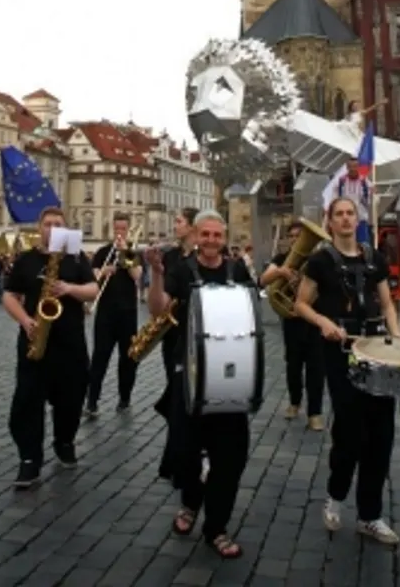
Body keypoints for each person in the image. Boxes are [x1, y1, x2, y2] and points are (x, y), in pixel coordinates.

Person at [146, 210, 254, 560]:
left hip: (229, 374)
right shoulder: (180, 268)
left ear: (224, 238)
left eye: (216, 235)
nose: (210, 241)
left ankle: (217, 527)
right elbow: (158, 310)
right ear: (195, 235)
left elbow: (252, 311)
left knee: (230, 457)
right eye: (204, 234)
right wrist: (157, 275)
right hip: (188, 371)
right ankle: (190, 503)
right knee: (186, 451)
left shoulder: (236, 270)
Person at [295, 197, 400, 546]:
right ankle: (336, 495)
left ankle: (370, 516)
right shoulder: (320, 261)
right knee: (350, 431)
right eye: (338, 214)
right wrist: (323, 321)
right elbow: (300, 303)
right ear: (330, 221)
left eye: (349, 213)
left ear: (357, 219)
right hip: (340, 353)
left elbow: (386, 304)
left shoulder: (374, 259)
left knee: (382, 433)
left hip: (376, 352)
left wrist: (398, 340)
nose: (344, 218)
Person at [2, 206, 99, 489]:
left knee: (72, 397)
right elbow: (9, 295)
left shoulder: (76, 258)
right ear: (40, 228)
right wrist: (24, 320)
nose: (53, 229)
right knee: (28, 400)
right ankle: (29, 460)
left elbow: (93, 290)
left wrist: (69, 289)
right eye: (48, 224)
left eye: (59, 224)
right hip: (35, 340)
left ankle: (64, 440)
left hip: (70, 342)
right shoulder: (27, 260)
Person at [260, 221, 324, 429]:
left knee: (316, 367)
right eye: (293, 236)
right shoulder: (281, 259)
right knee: (293, 365)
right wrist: (281, 272)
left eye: (300, 236)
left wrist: (303, 285)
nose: (296, 239)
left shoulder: (317, 261)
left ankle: (315, 413)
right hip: (292, 321)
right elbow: (263, 280)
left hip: (314, 320)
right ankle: (294, 402)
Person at [86, 212, 143, 417]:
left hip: (128, 312)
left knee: (128, 359)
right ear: (113, 228)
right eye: (117, 228)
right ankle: (92, 401)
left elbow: (137, 276)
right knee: (100, 357)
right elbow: (93, 278)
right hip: (106, 313)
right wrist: (105, 270)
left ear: (128, 230)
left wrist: (125, 254)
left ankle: (124, 398)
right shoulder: (102, 252)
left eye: (123, 229)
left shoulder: (132, 252)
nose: (120, 232)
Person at [159, 207, 198, 381]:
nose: (175, 226)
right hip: (171, 326)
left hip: (194, 324)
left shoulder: (202, 255)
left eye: (179, 222)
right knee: (172, 375)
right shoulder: (170, 256)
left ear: (191, 227)